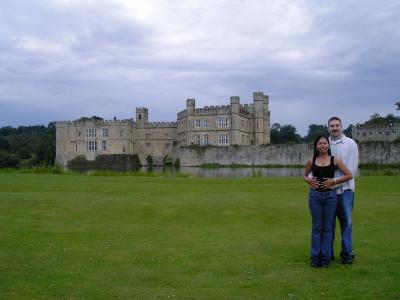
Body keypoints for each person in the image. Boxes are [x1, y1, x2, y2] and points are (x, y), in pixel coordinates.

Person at [304, 135, 353, 267]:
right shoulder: (311, 160)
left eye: (325, 143)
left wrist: (335, 181)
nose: (322, 145)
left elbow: (349, 174)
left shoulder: (335, 160)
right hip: (315, 197)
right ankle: (315, 257)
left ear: (328, 145)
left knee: (327, 228)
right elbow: (304, 175)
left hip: (330, 196)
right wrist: (307, 180)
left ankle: (325, 258)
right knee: (316, 227)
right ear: (316, 146)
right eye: (320, 143)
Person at [328, 116, 359, 264]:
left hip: (346, 190)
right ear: (328, 128)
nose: (334, 128)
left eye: (337, 125)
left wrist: (334, 182)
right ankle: (328, 253)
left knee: (346, 223)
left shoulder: (351, 144)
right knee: (329, 224)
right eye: (332, 126)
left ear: (341, 127)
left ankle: (347, 254)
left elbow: (351, 171)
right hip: (328, 191)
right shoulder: (324, 144)